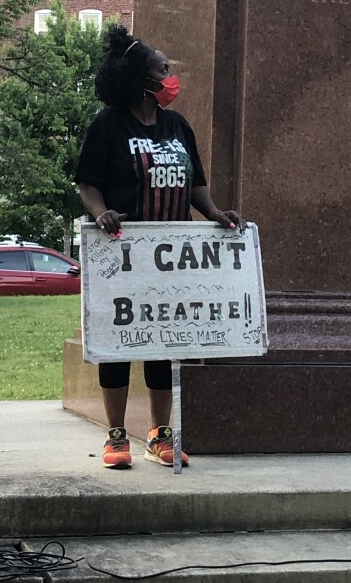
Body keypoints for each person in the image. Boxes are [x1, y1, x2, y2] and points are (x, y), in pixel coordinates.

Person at [75, 24, 245, 469]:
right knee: (119, 343)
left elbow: (196, 186)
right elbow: (88, 183)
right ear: (142, 80)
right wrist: (100, 213)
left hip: (171, 256)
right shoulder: (107, 126)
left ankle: (160, 435)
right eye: (164, 69)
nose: (171, 77)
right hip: (123, 252)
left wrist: (216, 215)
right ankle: (115, 437)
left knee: (163, 342)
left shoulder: (177, 126)